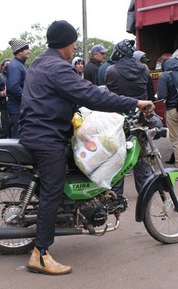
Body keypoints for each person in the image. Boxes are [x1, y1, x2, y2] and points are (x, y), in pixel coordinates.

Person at [20, 20, 154, 275]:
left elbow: (78, 94)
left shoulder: (40, 61)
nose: (74, 49)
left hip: (36, 129)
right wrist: (134, 102)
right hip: (46, 137)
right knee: (52, 190)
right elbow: (92, 95)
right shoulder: (59, 68)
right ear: (67, 44)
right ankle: (40, 254)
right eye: (73, 44)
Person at [104, 39, 153, 193]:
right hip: (139, 119)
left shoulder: (111, 71)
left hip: (118, 120)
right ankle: (145, 195)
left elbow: (107, 96)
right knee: (141, 158)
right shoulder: (144, 70)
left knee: (118, 159)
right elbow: (149, 94)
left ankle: (115, 198)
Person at [7, 38, 30, 138]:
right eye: (26, 49)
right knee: (17, 138)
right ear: (19, 52)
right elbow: (13, 86)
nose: (28, 51)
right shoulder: (15, 66)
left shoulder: (19, 65)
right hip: (17, 109)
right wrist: (27, 99)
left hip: (19, 108)